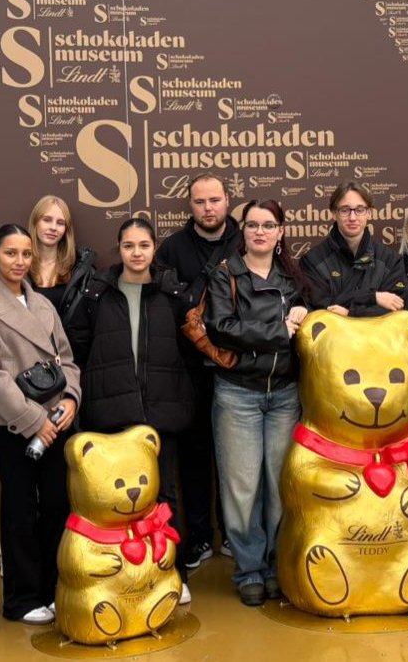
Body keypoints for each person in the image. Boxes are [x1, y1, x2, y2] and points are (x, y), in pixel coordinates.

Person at [0, 224, 82, 624]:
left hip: (56, 420)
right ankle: (22, 598)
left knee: (56, 505)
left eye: (26, 254)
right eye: (10, 253)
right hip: (11, 426)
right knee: (19, 509)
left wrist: (70, 399)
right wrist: (34, 421)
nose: (19, 261)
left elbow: (67, 359)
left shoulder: (43, 305)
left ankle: (53, 588)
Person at [72, 217, 196, 603]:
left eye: (144, 245)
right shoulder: (97, 294)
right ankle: (120, 574)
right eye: (129, 246)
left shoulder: (173, 294)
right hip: (114, 413)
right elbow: (77, 347)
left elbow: (189, 351)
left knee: (164, 496)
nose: (137, 253)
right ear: (119, 249)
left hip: (162, 412)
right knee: (116, 500)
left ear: (153, 248)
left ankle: (169, 570)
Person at [204, 199, 309, 606]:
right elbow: (223, 328)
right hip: (238, 394)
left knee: (280, 487)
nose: (260, 232)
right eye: (252, 225)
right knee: (242, 487)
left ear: (281, 232)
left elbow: (313, 323)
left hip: (285, 393)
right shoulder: (225, 274)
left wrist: (307, 311)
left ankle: (276, 566)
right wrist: (280, 330)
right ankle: (249, 568)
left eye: (268, 225)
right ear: (242, 231)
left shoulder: (295, 279)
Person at [154, 173, 241, 569]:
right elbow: (167, 309)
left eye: (215, 200)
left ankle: (235, 536)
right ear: (190, 205)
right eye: (200, 201)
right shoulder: (171, 249)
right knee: (193, 456)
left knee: (236, 459)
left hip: (239, 367)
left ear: (228, 201)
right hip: (189, 369)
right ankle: (201, 538)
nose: (208, 208)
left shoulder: (246, 239)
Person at [302, 181, 408, 316]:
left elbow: (396, 309)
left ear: (369, 213)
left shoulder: (391, 260)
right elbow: (319, 306)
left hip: (378, 337)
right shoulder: (312, 260)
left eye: (360, 210)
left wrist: (350, 313)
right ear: (334, 213)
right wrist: (372, 297)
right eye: (345, 210)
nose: (352, 217)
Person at [27, 195, 96, 362]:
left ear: (66, 230)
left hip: (72, 363)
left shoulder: (82, 271)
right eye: (47, 220)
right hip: (28, 364)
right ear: (35, 222)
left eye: (60, 223)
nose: (53, 228)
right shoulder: (19, 268)